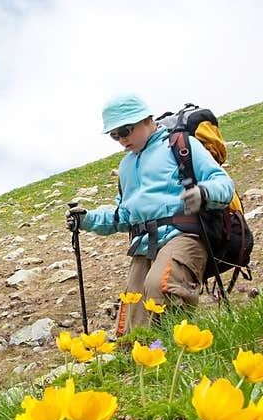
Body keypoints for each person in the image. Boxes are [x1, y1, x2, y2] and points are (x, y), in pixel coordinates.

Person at [66, 92, 234, 337]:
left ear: (146, 119)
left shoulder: (180, 144)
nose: (121, 140)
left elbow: (224, 184)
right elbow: (124, 215)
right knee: (133, 314)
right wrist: (87, 219)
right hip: (144, 244)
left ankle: (176, 352)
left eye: (125, 130)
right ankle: (142, 366)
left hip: (185, 234)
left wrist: (203, 193)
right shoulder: (126, 166)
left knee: (161, 286)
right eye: (114, 135)